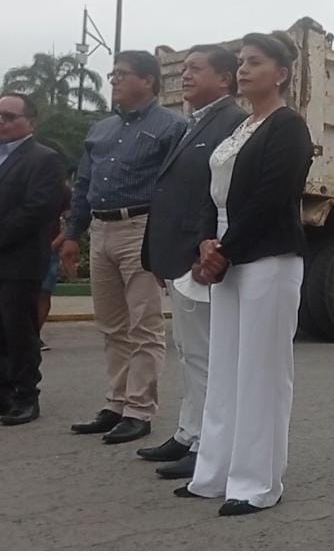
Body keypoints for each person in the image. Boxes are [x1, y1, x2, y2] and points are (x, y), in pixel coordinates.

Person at [173, 30, 313, 516]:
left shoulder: (288, 127)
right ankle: (214, 472)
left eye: (255, 62)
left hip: (267, 256)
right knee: (226, 367)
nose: (244, 70)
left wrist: (225, 250)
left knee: (262, 371)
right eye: (241, 62)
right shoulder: (241, 127)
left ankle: (257, 482)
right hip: (227, 251)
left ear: (282, 73)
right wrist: (205, 242)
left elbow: (272, 197)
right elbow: (214, 191)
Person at [62, 51, 187, 444]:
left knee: (144, 323)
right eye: (112, 74)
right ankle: (115, 403)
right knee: (112, 324)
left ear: (148, 80)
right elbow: (83, 184)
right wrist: (72, 233)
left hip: (142, 227)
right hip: (101, 228)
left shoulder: (171, 127)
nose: (114, 80)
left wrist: (168, 237)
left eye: (122, 74)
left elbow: (178, 187)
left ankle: (139, 410)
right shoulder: (100, 129)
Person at [138, 45, 247, 479]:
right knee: (188, 351)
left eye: (195, 69)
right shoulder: (194, 122)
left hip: (197, 256)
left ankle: (206, 443)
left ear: (224, 79)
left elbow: (216, 195)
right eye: (183, 69)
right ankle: (188, 432)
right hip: (176, 256)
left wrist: (204, 249)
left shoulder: (232, 123)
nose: (184, 76)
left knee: (205, 354)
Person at [0, 93, 64, 425]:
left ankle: (26, 396)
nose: (2, 122)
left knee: (18, 330)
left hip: (20, 259)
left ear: (31, 122)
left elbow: (37, 209)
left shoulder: (43, 159)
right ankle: (4, 394)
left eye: (10, 117)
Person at [37, 182, 72, 351]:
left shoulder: (61, 189)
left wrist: (57, 242)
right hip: (18, 247)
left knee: (44, 293)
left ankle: (33, 336)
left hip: (48, 247)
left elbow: (72, 218)